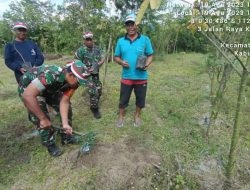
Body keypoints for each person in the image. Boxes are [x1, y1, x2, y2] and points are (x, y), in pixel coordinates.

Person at [18, 60, 91, 157]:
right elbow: (28, 96)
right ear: (70, 75)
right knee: (42, 119)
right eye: (79, 82)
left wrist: (65, 124)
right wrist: (43, 119)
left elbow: (64, 102)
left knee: (67, 108)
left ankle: (66, 138)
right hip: (29, 90)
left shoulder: (74, 82)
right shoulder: (50, 75)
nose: (79, 85)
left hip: (49, 89)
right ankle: (50, 143)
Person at [114, 13, 154, 128]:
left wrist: (147, 63)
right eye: (128, 24)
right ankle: (121, 116)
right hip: (126, 76)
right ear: (126, 26)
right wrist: (121, 62)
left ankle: (137, 116)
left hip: (141, 77)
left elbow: (150, 55)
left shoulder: (145, 39)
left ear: (137, 25)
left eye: (133, 24)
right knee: (123, 100)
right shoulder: (121, 41)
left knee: (140, 100)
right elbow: (116, 56)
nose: (131, 27)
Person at [75, 31, 105, 119]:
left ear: (92, 39)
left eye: (90, 39)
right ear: (84, 40)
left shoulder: (97, 49)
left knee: (99, 89)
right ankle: (94, 108)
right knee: (93, 90)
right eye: (87, 40)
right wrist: (85, 68)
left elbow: (103, 58)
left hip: (95, 73)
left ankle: (95, 101)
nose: (89, 41)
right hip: (86, 75)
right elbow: (76, 62)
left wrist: (98, 64)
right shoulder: (80, 50)